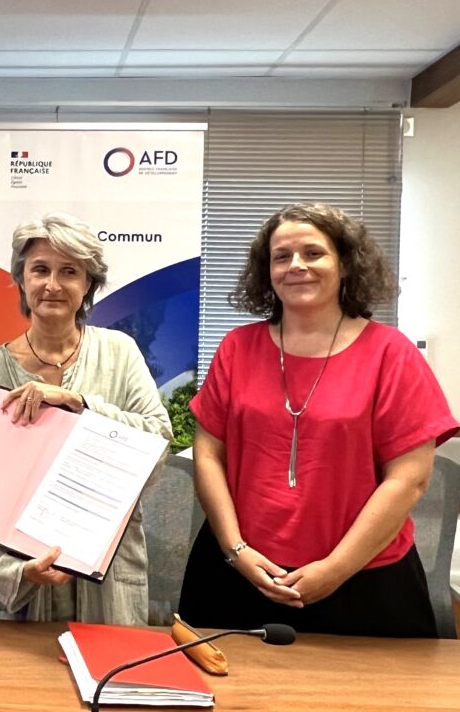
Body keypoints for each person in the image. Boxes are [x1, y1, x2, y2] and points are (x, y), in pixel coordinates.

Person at [179, 202, 458, 637]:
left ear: (345, 264)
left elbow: (409, 480)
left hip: (364, 581)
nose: (296, 265)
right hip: (238, 573)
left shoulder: (391, 354)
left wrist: (336, 568)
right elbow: (209, 453)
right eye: (281, 256)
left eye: (313, 253)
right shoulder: (237, 348)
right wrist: (235, 550)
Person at [0, 212, 172, 624]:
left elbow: (158, 441)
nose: (53, 284)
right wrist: (16, 571)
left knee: (107, 664)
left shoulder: (120, 353)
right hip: (21, 578)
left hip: (106, 576)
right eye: (40, 270)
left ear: (89, 283)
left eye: (69, 272)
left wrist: (80, 403)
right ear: (21, 279)